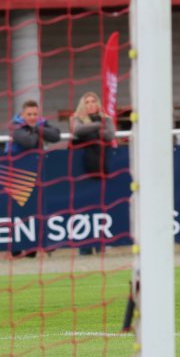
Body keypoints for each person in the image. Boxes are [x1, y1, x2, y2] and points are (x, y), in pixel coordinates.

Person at [70, 92, 116, 256]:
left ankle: (103, 243)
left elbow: (110, 135)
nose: (90, 105)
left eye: (93, 101)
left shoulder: (107, 119)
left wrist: (97, 126)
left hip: (103, 165)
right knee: (83, 206)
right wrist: (98, 126)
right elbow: (78, 130)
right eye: (87, 102)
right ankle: (85, 246)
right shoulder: (76, 118)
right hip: (81, 169)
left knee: (103, 204)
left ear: (98, 104)